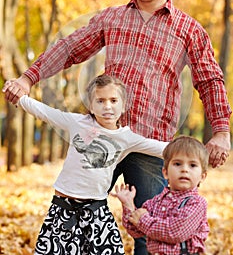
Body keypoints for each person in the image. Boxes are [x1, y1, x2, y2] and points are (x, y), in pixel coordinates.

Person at [2, 0, 231, 254]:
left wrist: (221, 131)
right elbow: (70, 47)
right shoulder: (111, 18)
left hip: (150, 143)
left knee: (150, 235)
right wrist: (29, 77)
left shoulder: (188, 29)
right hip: (102, 138)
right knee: (71, 223)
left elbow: (209, 79)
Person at [15, 74, 168, 255]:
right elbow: (46, 113)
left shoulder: (126, 138)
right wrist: (19, 97)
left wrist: (200, 151)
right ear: (91, 106)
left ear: (124, 105)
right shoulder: (78, 123)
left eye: (113, 100)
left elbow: (161, 148)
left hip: (97, 211)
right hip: (64, 208)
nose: (107, 107)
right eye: (100, 101)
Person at [112, 136, 209, 255]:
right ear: (165, 172)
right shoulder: (155, 201)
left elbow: (175, 232)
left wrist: (142, 220)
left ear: (202, 176)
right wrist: (129, 205)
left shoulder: (196, 203)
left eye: (192, 165)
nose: (184, 169)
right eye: (177, 164)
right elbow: (136, 231)